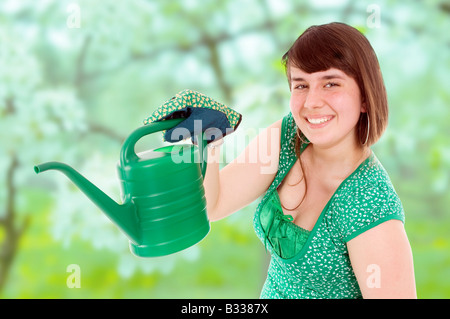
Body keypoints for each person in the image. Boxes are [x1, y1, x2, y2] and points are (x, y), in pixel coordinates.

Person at [203, 22, 416, 299]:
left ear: (365, 97)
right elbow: (213, 205)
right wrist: (207, 140)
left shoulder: (370, 206)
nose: (311, 102)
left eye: (330, 83)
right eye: (301, 85)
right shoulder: (287, 136)